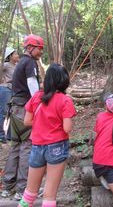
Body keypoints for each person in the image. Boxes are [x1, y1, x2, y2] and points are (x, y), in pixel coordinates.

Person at [17, 63, 77, 207]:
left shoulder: (37, 97)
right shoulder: (65, 99)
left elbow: (27, 121)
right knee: (49, 195)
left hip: (37, 146)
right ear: (64, 80)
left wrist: (42, 124)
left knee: (29, 192)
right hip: (56, 146)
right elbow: (67, 128)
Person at [1, 34, 44, 200]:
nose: (41, 51)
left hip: (15, 109)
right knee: (27, 145)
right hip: (24, 110)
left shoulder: (21, 63)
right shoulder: (30, 63)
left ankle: (7, 187)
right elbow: (33, 87)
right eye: (39, 48)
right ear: (31, 47)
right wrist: (40, 106)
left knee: (16, 146)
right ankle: (23, 188)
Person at [0, 47, 19, 143]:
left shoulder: (16, 65)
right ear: (10, 56)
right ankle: (1, 135)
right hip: (5, 89)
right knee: (4, 112)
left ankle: (9, 135)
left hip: (13, 90)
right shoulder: (6, 65)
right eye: (15, 54)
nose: (17, 55)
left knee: (12, 112)